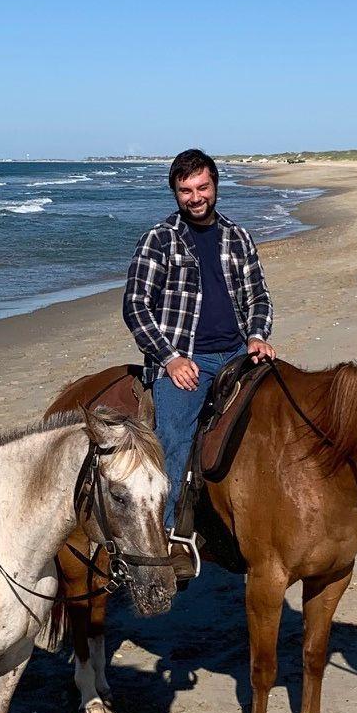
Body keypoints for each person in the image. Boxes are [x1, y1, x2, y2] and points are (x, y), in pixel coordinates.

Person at [122, 148, 276, 532]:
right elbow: (135, 306)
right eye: (185, 190)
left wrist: (257, 336)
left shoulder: (238, 237)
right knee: (172, 440)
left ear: (215, 186)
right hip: (186, 358)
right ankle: (167, 532)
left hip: (239, 351)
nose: (195, 197)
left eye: (202, 187)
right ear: (176, 193)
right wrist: (170, 358)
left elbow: (258, 296)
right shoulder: (159, 239)